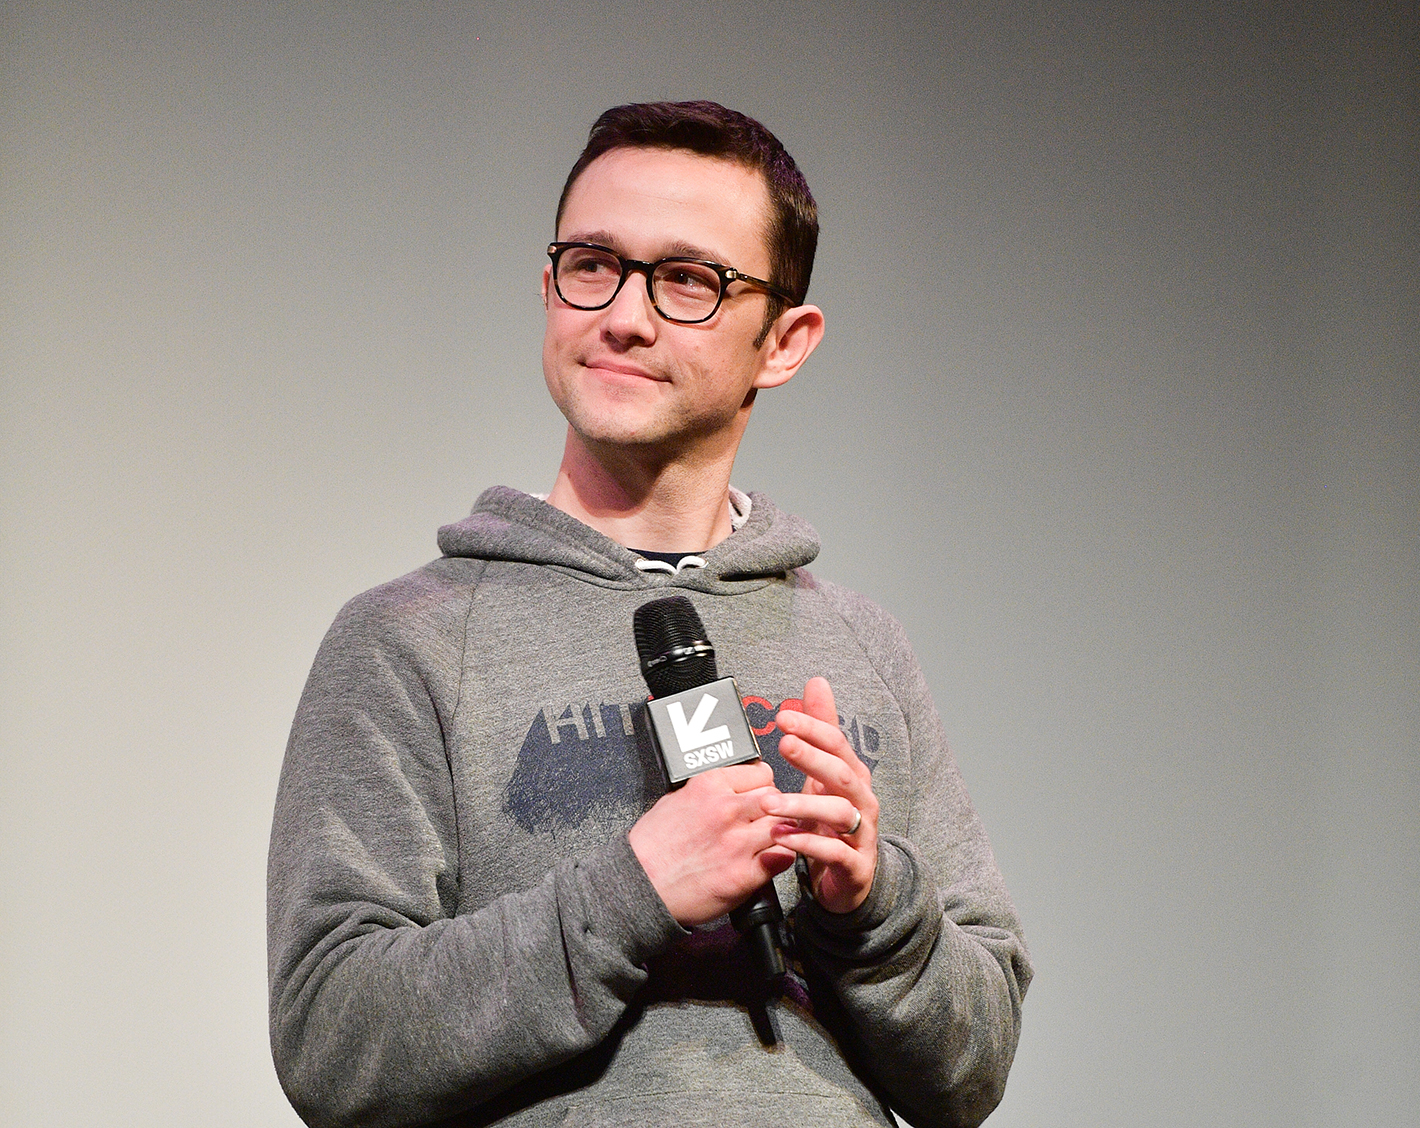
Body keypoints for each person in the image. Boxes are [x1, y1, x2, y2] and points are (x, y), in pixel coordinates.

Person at [268, 100, 1032, 1128]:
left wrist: (873, 908)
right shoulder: (409, 640)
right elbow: (333, 1040)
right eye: (593, 264)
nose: (623, 314)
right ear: (548, 289)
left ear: (785, 341)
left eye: (688, 280)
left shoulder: (859, 644)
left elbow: (972, 1073)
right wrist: (632, 893)